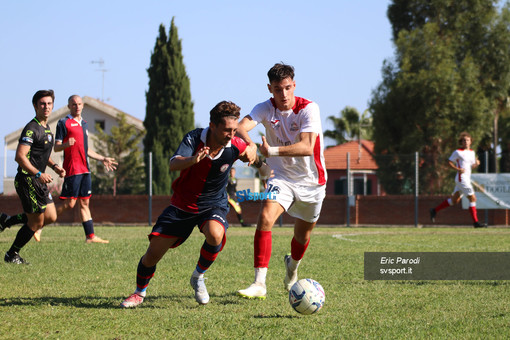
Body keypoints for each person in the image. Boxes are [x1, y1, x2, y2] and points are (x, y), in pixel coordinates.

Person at [120, 101, 269, 308]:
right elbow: (173, 163)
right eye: (227, 130)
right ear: (213, 125)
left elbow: (250, 156)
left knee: (216, 233)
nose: (231, 134)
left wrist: (261, 165)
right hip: (183, 205)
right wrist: (193, 159)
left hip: (213, 204)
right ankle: (139, 292)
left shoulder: (234, 143)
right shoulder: (194, 138)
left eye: (234, 130)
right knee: (152, 254)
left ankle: (198, 276)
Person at [235, 63, 327, 300]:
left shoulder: (309, 108)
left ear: (294, 85)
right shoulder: (265, 108)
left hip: (312, 182)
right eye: (277, 89)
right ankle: (259, 283)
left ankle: (292, 267)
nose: (283, 94)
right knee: (265, 217)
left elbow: (307, 147)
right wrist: (251, 144)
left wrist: (270, 152)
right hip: (281, 179)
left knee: (301, 238)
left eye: (287, 88)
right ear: (270, 89)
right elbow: (239, 127)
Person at [33, 95, 117, 243]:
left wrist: (102, 158)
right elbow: (57, 146)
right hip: (72, 169)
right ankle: (39, 225)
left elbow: (85, 149)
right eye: (73, 104)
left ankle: (90, 237)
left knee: (85, 203)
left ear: (82, 105)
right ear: (69, 107)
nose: (76, 106)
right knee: (69, 204)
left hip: (85, 169)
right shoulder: (63, 123)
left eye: (79, 104)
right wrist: (66, 144)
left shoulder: (84, 124)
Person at [0, 90, 66, 264]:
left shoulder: (47, 128)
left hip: (39, 180)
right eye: (42, 103)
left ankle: (7, 220)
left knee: (51, 216)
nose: (46, 107)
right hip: (28, 180)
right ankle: (12, 254)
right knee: (36, 223)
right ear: (35, 106)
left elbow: (43, 154)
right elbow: (20, 157)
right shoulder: (31, 129)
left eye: (49, 103)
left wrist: (55, 166)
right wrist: (37, 173)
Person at [430, 132, 487, 228]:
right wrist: (457, 169)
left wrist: (477, 163)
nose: (465, 142)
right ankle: (476, 223)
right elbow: (449, 162)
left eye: (467, 140)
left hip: (466, 179)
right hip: (462, 178)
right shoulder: (458, 152)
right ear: (461, 142)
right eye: (464, 140)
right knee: (472, 198)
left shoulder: (472, 152)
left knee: (454, 201)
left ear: (470, 142)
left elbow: (470, 166)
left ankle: (434, 210)